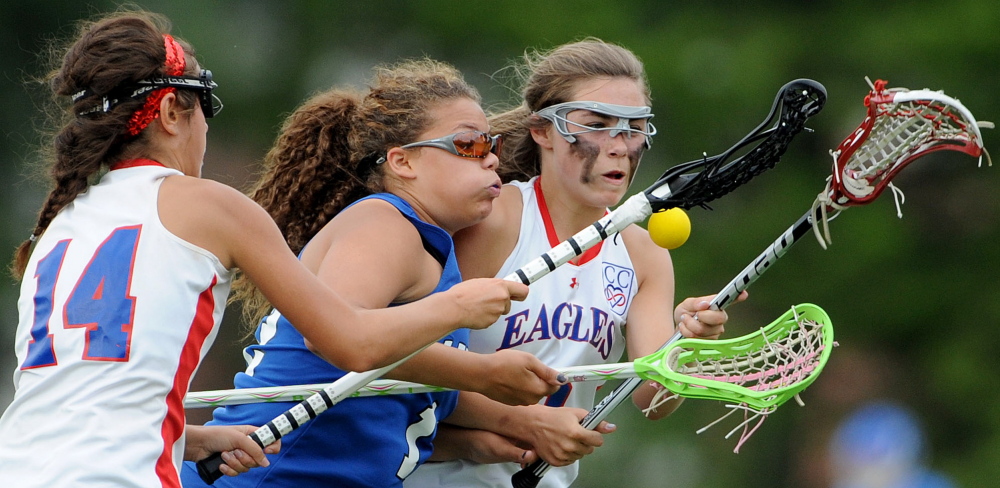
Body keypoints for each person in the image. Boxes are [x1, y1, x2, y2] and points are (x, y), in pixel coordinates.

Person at [0, 12, 526, 488]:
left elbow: (86, 401)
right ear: (168, 112)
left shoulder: (54, 229)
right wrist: (455, 307)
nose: (207, 127)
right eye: (206, 107)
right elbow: (352, 345)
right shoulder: (212, 206)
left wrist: (191, 437)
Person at [179, 58, 566, 488]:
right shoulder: (385, 224)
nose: (492, 159)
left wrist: (480, 441)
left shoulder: (431, 248)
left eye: (491, 145)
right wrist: (480, 366)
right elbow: (333, 338)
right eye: (470, 144)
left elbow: (378, 393)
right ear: (403, 163)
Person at [404, 38, 745, 488]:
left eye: (634, 126)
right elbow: (412, 367)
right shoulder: (494, 220)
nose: (620, 146)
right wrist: (523, 424)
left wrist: (684, 341)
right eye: (597, 124)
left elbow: (652, 398)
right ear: (542, 131)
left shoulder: (645, 255)